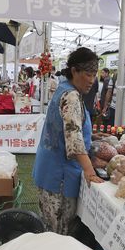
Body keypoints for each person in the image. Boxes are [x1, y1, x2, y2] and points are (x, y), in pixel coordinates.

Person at [32, 47, 103, 235]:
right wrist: (89, 170)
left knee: (50, 226)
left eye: (95, 74)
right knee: (57, 233)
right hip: (59, 175)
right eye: (88, 74)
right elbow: (73, 135)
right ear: (74, 71)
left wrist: (93, 136)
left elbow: (68, 125)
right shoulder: (71, 95)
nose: (92, 80)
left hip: (49, 168)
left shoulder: (65, 88)